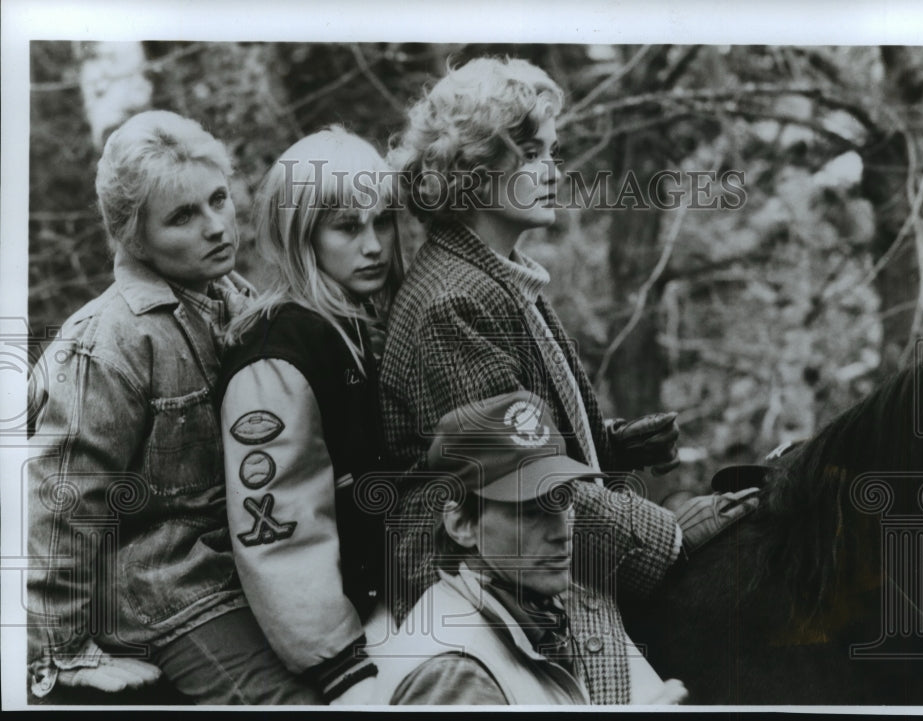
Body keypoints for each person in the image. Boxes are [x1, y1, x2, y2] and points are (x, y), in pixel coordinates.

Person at [380, 56, 758, 704]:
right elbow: (512, 478)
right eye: (530, 154)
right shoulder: (453, 301)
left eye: (549, 151)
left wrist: (608, 443)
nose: (553, 170)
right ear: (472, 175)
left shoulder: (500, 274)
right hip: (490, 592)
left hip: (531, 554)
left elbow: (534, 440)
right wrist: (666, 533)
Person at [26, 110, 323, 704]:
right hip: (166, 590)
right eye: (182, 217)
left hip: (250, 566)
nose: (216, 227)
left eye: (218, 199)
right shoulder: (109, 344)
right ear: (134, 237)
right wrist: (61, 652)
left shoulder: (235, 301)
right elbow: (62, 502)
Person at [219, 126, 404, 704]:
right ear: (301, 235)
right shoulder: (277, 354)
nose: (373, 245)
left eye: (383, 221)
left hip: (392, 599)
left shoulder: (356, 321)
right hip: (344, 643)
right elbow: (277, 527)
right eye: (348, 227)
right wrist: (340, 664)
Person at [372, 391, 689, 706]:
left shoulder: (529, 611)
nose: (561, 531)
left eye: (563, 499)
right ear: (461, 524)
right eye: (530, 510)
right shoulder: (454, 674)